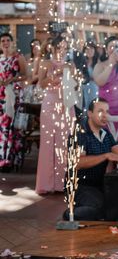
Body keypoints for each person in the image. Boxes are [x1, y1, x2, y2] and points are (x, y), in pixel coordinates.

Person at [63, 98, 118, 221]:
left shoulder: (106, 133)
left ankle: (93, 209)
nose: (105, 116)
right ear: (89, 113)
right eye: (100, 111)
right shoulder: (79, 133)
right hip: (78, 186)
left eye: (107, 111)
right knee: (100, 206)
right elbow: (77, 163)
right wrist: (105, 156)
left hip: (98, 184)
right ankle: (69, 214)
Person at [36, 36, 75, 194]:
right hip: (50, 103)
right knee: (47, 143)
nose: (61, 50)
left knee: (63, 142)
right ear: (52, 48)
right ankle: (46, 183)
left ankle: (61, 183)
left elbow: (74, 85)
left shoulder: (70, 64)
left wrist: (69, 78)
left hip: (65, 103)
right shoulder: (46, 63)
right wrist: (54, 76)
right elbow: (41, 83)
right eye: (59, 47)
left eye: (64, 47)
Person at [0, 33, 27, 170]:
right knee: (2, 128)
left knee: (13, 127)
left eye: (7, 40)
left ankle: (12, 160)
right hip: (1, 96)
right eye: (2, 41)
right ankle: (2, 159)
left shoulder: (18, 57)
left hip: (14, 95)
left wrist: (12, 80)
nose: (5, 43)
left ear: (12, 42)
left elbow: (25, 75)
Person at [79, 42, 100, 111]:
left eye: (91, 49)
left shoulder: (98, 62)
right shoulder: (81, 62)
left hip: (95, 88)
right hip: (84, 88)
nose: (89, 51)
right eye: (87, 49)